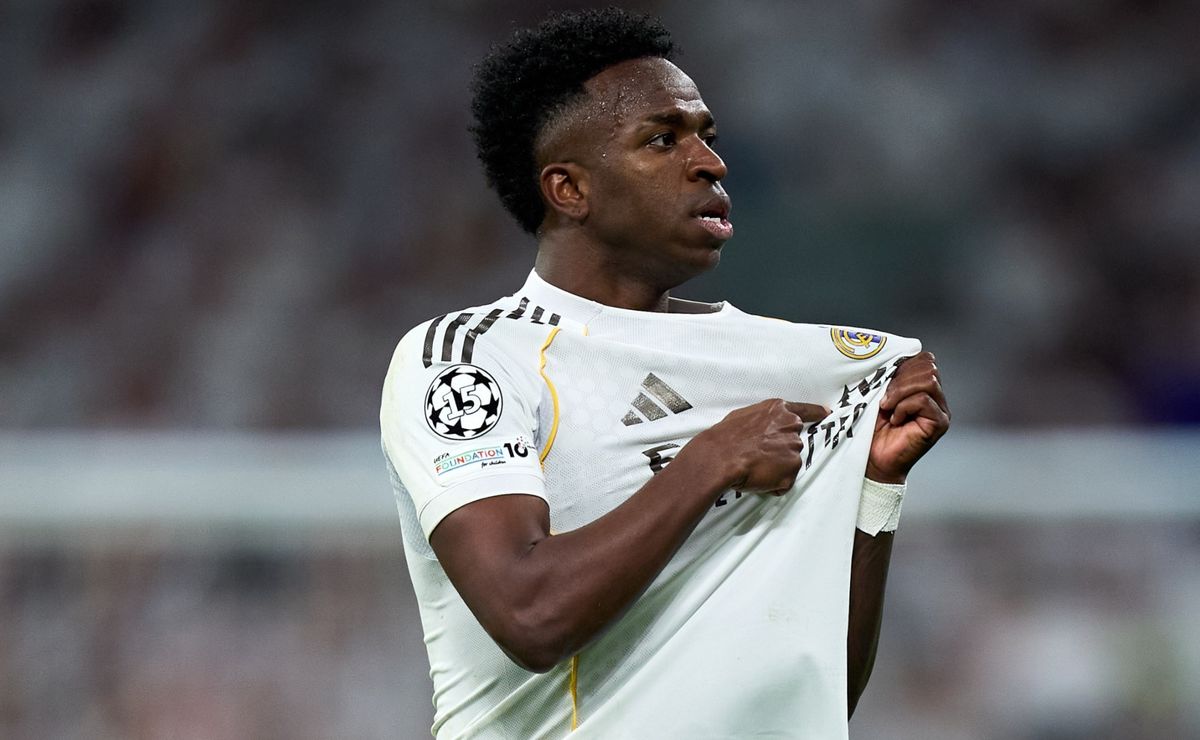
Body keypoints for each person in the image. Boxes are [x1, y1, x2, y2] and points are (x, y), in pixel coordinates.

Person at [380, 8, 950, 739]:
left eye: (706, 135)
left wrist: (873, 489)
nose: (710, 162)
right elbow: (530, 614)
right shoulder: (471, 360)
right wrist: (708, 460)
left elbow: (818, 691)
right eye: (662, 139)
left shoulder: (786, 366)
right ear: (569, 190)